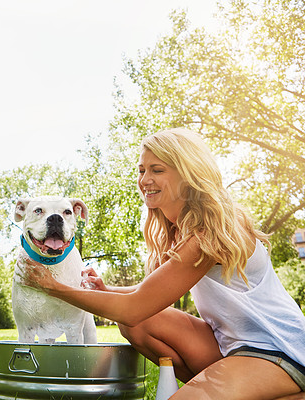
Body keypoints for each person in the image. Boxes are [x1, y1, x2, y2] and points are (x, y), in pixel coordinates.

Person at [19, 128, 305, 399]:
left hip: (278, 351)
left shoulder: (210, 232)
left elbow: (134, 307)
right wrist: (105, 289)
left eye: (157, 170)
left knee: (137, 320)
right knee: (139, 324)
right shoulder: (178, 229)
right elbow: (147, 299)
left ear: (188, 174)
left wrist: (51, 286)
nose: (145, 180)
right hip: (229, 345)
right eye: (142, 170)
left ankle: (269, 387)